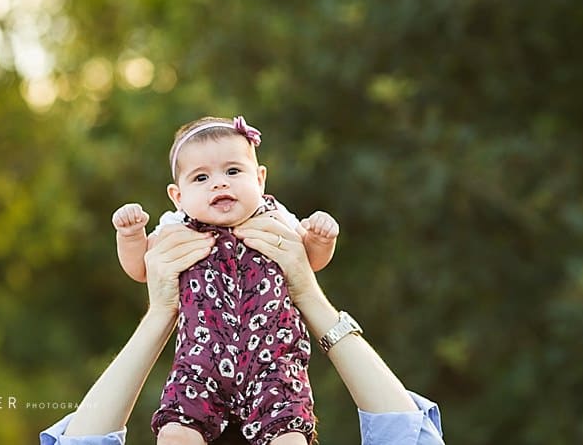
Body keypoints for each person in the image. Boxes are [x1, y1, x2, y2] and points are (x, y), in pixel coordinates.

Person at [39, 218, 445, 444]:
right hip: (207, 365)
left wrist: (306, 290)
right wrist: (162, 311)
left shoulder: (269, 214)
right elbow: (407, 434)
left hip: (268, 366)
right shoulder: (181, 223)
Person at [110, 116, 340, 445]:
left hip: (272, 363)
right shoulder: (178, 228)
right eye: (201, 177)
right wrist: (131, 235)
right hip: (200, 363)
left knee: (289, 436)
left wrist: (320, 237)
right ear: (178, 196)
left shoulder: (275, 218)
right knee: (175, 433)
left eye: (233, 171)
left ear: (259, 179)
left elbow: (310, 262)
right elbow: (140, 268)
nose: (219, 183)